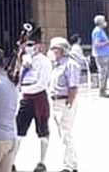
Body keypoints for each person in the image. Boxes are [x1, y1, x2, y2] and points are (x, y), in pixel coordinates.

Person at [11, 24, 52, 172]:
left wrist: (23, 89)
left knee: (42, 131)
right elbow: (18, 78)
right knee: (18, 131)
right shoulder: (25, 59)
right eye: (26, 44)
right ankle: (11, 162)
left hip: (39, 98)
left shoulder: (44, 61)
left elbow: (42, 84)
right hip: (26, 99)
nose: (28, 47)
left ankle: (42, 162)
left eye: (31, 44)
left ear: (38, 45)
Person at [48, 37, 80, 172]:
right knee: (63, 134)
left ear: (61, 49)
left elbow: (73, 86)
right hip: (55, 101)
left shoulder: (70, 64)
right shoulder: (57, 64)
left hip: (65, 101)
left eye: (54, 48)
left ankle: (68, 166)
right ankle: (72, 163)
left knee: (66, 133)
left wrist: (69, 103)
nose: (52, 51)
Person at [91, 14, 109, 97]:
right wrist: (107, 43)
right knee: (103, 73)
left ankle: (104, 89)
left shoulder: (101, 31)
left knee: (105, 73)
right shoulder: (97, 31)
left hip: (104, 54)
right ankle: (102, 91)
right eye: (104, 20)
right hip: (101, 55)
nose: (106, 22)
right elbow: (97, 44)